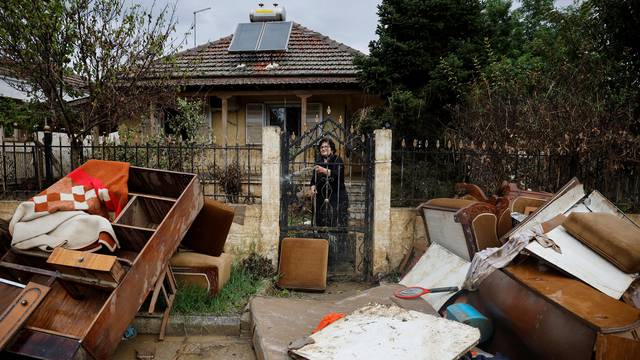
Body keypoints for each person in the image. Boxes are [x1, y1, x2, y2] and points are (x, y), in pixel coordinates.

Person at [310, 138, 349, 228]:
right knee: (321, 220)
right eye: (321, 147)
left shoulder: (337, 160)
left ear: (332, 149)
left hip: (336, 196)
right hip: (321, 197)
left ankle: (337, 240)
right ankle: (322, 240)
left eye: (326, 146)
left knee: (336, 221)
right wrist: (312, 186)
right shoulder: (318, 161)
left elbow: (339, 175)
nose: (323, 149)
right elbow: (313, 179)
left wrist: (324, 170)